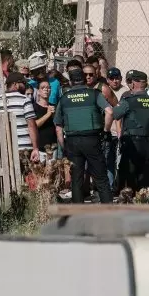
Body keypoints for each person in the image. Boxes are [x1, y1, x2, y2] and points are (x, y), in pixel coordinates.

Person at [54, 68, 113, 204]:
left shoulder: (64, 99)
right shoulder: (94, 94)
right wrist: (105, 131)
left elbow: (58, 127)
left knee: (77, 179)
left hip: (73, 141)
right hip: (92, 139)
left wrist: (64, 146)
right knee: (101, 178)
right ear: (84, 78)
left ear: (70, 81)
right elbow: (109, 112)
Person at [106, 70, 149, 197]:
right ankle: (144, 203)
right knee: (145, 178)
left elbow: (114, 114)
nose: (129, 84)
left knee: (130, 177)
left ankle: (131, 204)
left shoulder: (129, 100)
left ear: (134, 83)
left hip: (132, 144)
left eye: (130, 81)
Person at [0, 72, 40, 162]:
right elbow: (31, 125)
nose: (25, 86)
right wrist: (35, 147)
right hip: (23, 148)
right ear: (15, 84)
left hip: (3, 149)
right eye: (23, 83)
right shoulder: (25, 100)